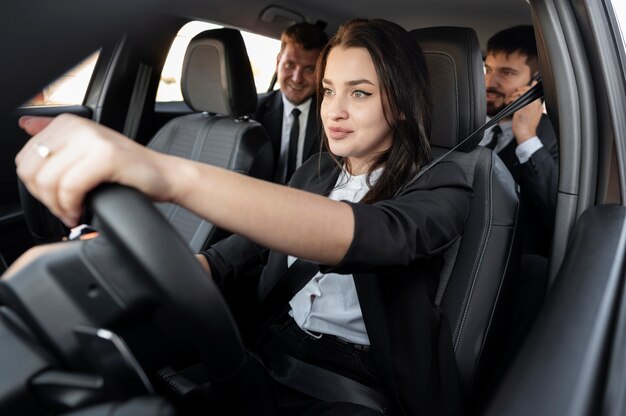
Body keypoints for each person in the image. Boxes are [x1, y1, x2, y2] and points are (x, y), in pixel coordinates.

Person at [10, 19, 472, 416]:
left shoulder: (445, 180)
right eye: (329, 89)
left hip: (358, 384)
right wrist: (202, 266)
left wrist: (170, 176)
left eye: (361, 93)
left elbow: (376, 236)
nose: (334, 110)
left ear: (404, 103)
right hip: (271, 349)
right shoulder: (316, 168)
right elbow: (258, 242)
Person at [481, 25, 558, 258]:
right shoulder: (462, 125)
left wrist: (526, 135)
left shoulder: (551, 135)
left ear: (535, 83)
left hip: (514, 262)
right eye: (488, 69)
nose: (490, 82)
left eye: (506, 73)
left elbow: (557, 212)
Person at [253, 22, 329, 183]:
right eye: (290, 65)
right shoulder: (252, 112)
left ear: (322, 71)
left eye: (309, 69)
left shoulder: (331, 116)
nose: (297, 78)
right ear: (278, 63)